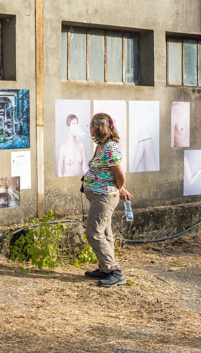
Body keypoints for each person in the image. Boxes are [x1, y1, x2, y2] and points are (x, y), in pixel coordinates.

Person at [82, 113, 132, 287]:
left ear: (98, 127)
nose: (89, 128)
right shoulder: (102, 146)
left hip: (104, 198)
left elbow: (120, 175)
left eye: (90, 125)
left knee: (94, 233)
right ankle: (105, 268)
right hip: (100, 196)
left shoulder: (110, 147)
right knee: (105, 233)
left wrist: (119, 188)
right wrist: (120, 189)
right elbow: (109, 174)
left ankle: (114, 271)